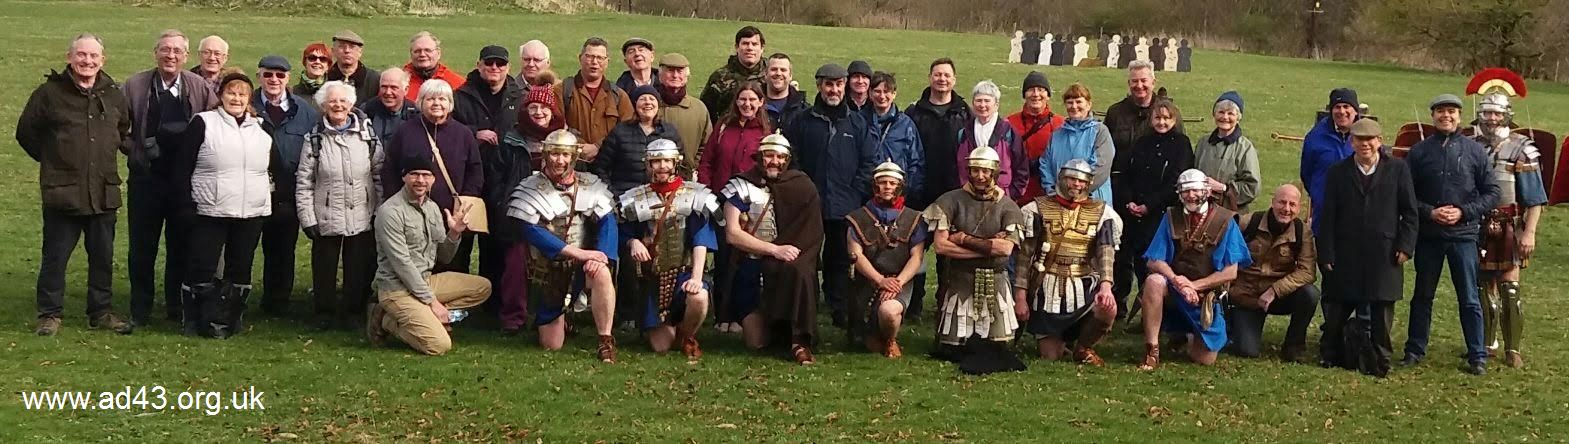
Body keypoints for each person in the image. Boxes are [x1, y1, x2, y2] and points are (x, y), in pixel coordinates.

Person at [18, 33, 135, 336]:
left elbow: (122, 129)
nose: (87, 61)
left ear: (102, 60)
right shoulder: (49, 93)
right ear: (70, 57)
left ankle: (101, 312)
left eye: (94, 56)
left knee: (102, 257)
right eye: (81, 55)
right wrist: (54, 161)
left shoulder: (113, 94)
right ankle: (50, 313)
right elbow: (26, 133)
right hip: (63, 192)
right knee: (55, 257)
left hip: (103, 191)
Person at [123, 29, 218, 326]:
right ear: (156, 53)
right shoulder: (135, 86)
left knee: (180, 246)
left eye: (177, 51)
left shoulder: (199, 86)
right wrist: (136, 152)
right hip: (146, 180)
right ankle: (140, 310)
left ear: (186, 56)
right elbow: (117, 127)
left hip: (183, 183)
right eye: (165, 50)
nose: (171, 56)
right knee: (142, 248)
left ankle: (176, 308)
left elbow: (216, 122)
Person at [171, 72, 274, 338]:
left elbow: (276, 167)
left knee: (240, 268)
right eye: (231, 92)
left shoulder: (261, 127)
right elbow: (182, 165)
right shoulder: (204, 123)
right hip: (210, 210)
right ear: (221, 95)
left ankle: (230, 319)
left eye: (242, 94)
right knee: (201, 267)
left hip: (250, 211)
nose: (236, 98)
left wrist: (278, 198)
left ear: (249, 98)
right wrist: (185, 203)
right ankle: (194, 321)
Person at [1403, 94, 1499, 375]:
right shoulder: (1419, 152)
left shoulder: (1475, 151)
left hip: (1464, 236)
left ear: (1460, 116)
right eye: (1441, 111)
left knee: (1469, 297)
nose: (1446, 116)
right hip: (1429, 235)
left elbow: (1492, 192)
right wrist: (1430, 212)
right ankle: (1414, 349)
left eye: (1452, 112)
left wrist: (1464, 212)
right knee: (1422, 295)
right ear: (1433, 115)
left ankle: (1477, 354)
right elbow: (1407, 194)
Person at [508, 129, 621, 363]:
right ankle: (562, 319)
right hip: (549, 272)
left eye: (565, 155)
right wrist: (578, 252)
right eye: (555, 154)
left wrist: (600, 256)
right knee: (552, 345)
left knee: (601, 272)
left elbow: (607, 222)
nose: (560, 160)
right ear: (547, 155)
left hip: (583, 267)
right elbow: (532, 231)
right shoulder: (530, 187)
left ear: (574, 157)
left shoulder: (591, 185)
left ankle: (605, 340)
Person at [1317, 119, 1418, 378]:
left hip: (1384, 252)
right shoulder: (1338, 172)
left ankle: (1381, 357)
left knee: (1382, 310)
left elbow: (1410, 213)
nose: (1365, 144)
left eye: (1370, 140)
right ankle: (1330, 353)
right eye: (1359, 140)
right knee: (1337, 308)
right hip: (1345, 250)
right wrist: (1326, 252)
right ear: (1352, 142)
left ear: (1379, 141)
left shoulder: (1398, 169)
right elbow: (1327, 215)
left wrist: (1405, 246)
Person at [783, 63, 879, 328]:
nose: (833, 90)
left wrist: (856, 191)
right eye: (828, 84)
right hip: (809, 205)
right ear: (819, 86)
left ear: (845, 85)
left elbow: (869, 161)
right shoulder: (802, 120)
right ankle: (807, 306)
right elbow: (791, 159)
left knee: (839, 259)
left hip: (844, 205)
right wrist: (802, 189)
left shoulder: (857, 122)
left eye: (838, 84)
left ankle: (839, 308)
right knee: (808, 257)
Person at [366, 157, 492, 356]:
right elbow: (402, 265)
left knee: (482, 288)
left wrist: (454, 233)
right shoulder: (390, 212)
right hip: (396, 289)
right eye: (414, 174)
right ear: (404, 177)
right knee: (439, 346)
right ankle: (386, 320)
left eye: (426, 175)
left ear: (434, 179)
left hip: (424, 282)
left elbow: (444, 257)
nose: (420, 180)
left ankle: (422, 317)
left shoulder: (432, 208)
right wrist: (433, 303)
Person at [718, 133, 824, 364]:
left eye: (779, 156)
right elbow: (733, 234)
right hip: (751, 267)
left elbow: (810, 230)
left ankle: (798, 340)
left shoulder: (801, 185)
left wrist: (790, 254)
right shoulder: (741, 185)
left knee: (800, 273)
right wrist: (774, 250)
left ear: (787, 160)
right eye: (769, 155)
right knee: (757, 342)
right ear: (759, 157)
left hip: (784, 266)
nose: (774, 161)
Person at [1135, 169, 1250, 370]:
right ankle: (1151, 349)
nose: (1191, 195)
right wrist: (1178, 281)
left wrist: (1194, 286)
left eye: (1195, 190)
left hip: (1206, 295)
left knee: (1205, 359)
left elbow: (1230, 272)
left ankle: (1187, 336)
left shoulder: (1225, 220)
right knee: (1154, 281)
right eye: (1185, 191)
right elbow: (1154, 260)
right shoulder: (1171, 216)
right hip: (1174, 288)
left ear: (1206, 191)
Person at [1470, 76, 1547, 369]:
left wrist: (1529, 232)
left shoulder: (1522, 148)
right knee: (1482, 288)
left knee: (1509, 289)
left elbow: (1535, 198)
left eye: (1497, 113)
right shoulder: (1469, 144)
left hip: (1510, 223)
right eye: (1487, 112)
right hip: (1477, 222)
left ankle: (1513, 348)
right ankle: (1487, 343)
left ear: (1506, 115)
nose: (1491, 118)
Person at [617, 140, 718, 361]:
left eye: (666, 161)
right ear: (648, 164)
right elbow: (623, 232)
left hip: (683, 271)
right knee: (661, 347)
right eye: (656, 161)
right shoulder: (635, 197)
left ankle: (687, 336)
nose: (662, 166)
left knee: (699, 296)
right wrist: (633, 242)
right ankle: (663, 327)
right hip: (653, 277)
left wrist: (696, 277)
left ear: (675, 163)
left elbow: (701, 239)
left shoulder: (694, 195)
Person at [1015, 160, 1121, 364]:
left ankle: (1083, 346)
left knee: (1108, 308)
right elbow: (1024, 257)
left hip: (1084, 282)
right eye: (1072, 179)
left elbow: (1106, 253)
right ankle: (1060, 341)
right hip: (1047, 288)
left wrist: (1106, 287)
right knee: (1050, 357)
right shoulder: (1036, 209)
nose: (1077, 185)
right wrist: (1020, 297)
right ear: (1062, 179)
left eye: (1082, 181)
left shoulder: (1102, 213)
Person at [297, 81, 384, 330]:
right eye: (332, 101)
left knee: (357, 267)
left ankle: (353, 312)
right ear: (324, 105)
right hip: (325, 213)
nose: (337, 105)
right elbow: (304, 181)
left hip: (361, 212)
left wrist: (378, 209)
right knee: (324, 267)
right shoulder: (314, 139)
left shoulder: (367, 135)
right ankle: (323, 312)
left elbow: (378, 173)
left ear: (351, 104)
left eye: (342, 101)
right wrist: (307, 218)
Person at [925, 146, 1022, 360]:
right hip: (960, 280)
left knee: (999, 348)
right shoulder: (949, 201)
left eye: (985, 171)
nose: (980, 176)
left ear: (994, 172)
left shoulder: (1009, 207)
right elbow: (941, 246)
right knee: (953, 347)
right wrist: (988, 248)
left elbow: (1005, 249)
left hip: (995, 281)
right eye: (975, 170)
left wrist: (963, 239)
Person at [382, 80, 484, 274]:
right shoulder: (405, 131)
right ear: (420, 102)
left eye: (442, 99)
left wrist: (465, 201)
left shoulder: (463, 134)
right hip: (411, 213)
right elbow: (390, 169)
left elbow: (475, 170)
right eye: (431, 99)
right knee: (416, 265)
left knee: (454, 264)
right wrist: (395, 203)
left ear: (450, 103)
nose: (437, 103)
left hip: (452, 214)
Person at [453, 45, 526, 300]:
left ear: (508, 67)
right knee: (461, 242)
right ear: (479, 64)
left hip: (504, 179)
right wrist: (474, 133)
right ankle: (457, 300)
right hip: (468, 178)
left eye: (500, 64)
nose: (495, 68)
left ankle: (493, 303)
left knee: (497, 241)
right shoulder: (461, 95)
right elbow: (449, 128)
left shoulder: (519, 97)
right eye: (489, 63)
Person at [1112, 98, 1192, 320]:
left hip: (1162, 214)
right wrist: (1129, 201)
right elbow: (1126, 174)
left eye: (1167, 118)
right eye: (1158, 117)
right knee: (1136, 261)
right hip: (1135, 212)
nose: (1162, 122)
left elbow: (1177, 180)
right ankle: (1134, 309)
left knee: (1157, 266)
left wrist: (1150, 205)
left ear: (1174, 120)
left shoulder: (1181, 144)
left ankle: (1157, 314)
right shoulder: (1141, 143)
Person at [253, 55, 321, 316]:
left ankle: (276, 303)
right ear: (259, 76)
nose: (274, 80)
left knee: (282, 251)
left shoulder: (304, 111)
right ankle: (235, 297)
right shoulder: (246, 104)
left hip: (287, 194)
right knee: (244, 248)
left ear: (288, 79)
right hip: (251, 191)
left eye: (280, 75)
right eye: (268, 74)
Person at [490, 87, 563, 333]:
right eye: (533, 108)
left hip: (558, 215)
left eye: (544, 108)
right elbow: (497, 179)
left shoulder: (565, 139)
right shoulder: (511, 141)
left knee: (559, 264)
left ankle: (558, 313)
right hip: (520, 215)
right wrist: (505, 205)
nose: (539, 112)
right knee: (515, 265)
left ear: (553, 111)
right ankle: (514, 317)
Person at [1225, 185, 1319, 362]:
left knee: (1310, 294)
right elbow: (1224, 255)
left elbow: (1307, 271)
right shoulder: (1248, 222)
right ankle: (1233, 324)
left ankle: (1293, 347)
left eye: (1292, 204)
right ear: (1272, 202)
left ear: (1299, 208)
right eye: (1282, 202)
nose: (1286, 209)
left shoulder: (1302, 231)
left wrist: (1275, 291)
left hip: (1278, 297)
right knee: (1246, 351)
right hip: (1247, 297)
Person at [845, 161, 926, 358]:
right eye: (883, 182)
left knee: (889, 312)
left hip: (900, 281)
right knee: (864, 339)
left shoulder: (914, 219)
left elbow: (917, 257)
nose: (887, 187)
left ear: (900, 186)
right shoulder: (858, 218)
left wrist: (896, 283)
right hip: (867, 281)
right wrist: (880, 280)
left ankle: (890, 339)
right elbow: (856, 255)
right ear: (875, 186)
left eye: (892, 183)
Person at [593, 85, 683, 196]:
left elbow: (681, 166)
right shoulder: (620, 131)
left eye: (652, 99)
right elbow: (600, 167)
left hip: (660, 197)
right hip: (623, 197)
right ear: (635, 104)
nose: (647, 102)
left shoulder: (669, 132)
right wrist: (612, 194)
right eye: (642, 99)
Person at [554, 37, 633, 163]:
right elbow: (554, 124)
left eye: (600, 58)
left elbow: (628, 130)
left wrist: (598, 146)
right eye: (589, 56)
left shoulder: (619, 96)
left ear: (607, 62)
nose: (594, 62)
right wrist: (579, 146)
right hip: (570, 163)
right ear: (580, 58)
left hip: (608, 165)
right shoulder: (562, 90)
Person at [905, 58, 970, 210]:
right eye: (937, 75)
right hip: (920, 193)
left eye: (947, 75)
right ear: (930, 78)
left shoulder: (965, 113)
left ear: (954, 80)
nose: (942, 79)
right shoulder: (913, 112)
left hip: (955, 193)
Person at [1039, 83, 1113, 203]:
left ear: (1089, 105)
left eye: (1078, 102)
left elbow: (1101, 167)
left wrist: (1079, 193)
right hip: (1059, 203)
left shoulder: (1100, 132)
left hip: (1092, 202)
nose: (1074, 106)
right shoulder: (1057, 135)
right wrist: (1053, 191)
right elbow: (1045, 165)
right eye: (1070, 102)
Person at [1301, 88, 1359, 234]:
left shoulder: (1367, 136)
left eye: (1347, 107)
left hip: (1358, 213)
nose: (1341, 111)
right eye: (1337, 107)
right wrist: (1319, 195)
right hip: (1325, 213)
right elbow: (1306, 173)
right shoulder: (1315, 137)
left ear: (1356, 111)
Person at [1194, 91, 1260, 212]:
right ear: (1214, 114)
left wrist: (1224, 188)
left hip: (1230, 215)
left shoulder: (1245, 149)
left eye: (1231, 114)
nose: (1225, 117)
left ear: (1238, 118)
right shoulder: (1203, 143)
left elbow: (1252, 187)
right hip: (1201, 211)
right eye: (1221, 112)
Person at [1005, 71, 1065, 205]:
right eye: (1031, 90)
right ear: (1024, 95)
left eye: (1041, 90)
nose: (1036, 94)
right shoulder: (1009, 123)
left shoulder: (1061, 124)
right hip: (1018, 195)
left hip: (1051, 196)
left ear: (1048, 95)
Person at [955, 80, 1023, 199]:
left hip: (1000, 196)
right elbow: (956, 166)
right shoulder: (964, 133)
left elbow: (1021, 167)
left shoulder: (1008, 132)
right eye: (978, 100)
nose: (982, 105)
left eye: (987, 101)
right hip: (968, 196)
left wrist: (1011, 195)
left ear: (996, 105)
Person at [698, 81, 770, 192]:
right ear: (736, 101)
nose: (747, 104)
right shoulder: (723, 126)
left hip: (748, 198)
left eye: (752, 100)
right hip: (717, 194)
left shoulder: (765, 132)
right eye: (742, 99)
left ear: (760, 102)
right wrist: (706, 188)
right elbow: (707, 161)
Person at [865, 72, 925, 203]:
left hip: (897, 196)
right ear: (869, 93)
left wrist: (907, 191)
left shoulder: (906, 124)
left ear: (894, 94)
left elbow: (916, 161)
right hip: (866, 196)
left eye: (886, 91)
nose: (882, 96)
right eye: (877, 91)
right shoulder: (859, 122)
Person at [654, 53, 713, 177]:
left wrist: (694, 166)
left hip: (688, 177)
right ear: (660, 75)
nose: (675, 75)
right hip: (654, 176)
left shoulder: (698, 108)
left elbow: (707, 144)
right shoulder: (650, 106)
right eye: (670, 71)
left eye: (680, 71)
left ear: (687, 76)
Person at [1104, 60, 1181, 156]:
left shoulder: (1170, 112)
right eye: (1135, 81)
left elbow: (1180, 148)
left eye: (1144, 80)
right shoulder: (1115, 113)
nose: (1139, 86)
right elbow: (1105, 149)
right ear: (1129, 83)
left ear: (1153, 83)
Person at [700, 26, 766, 122]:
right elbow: (706, 112)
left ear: (762, 48)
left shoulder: (773, 74)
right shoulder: (720, 77)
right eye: (745, 43)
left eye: (754, 44)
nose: (750, 48)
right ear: (737, 47)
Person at [359, 67, 419, 147]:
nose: (388, 92)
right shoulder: (366, 110)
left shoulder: (416, 114)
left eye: (394, 88)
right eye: (384, 87)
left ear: (406, 90)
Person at [403, 31, 465, 101]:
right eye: (417, 51)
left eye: (428, 50)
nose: (422, 54)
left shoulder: (457, 84)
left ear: (438, 53)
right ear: (411, 54)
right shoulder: (399, 81)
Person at [326, 30, 380, 102]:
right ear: (333, 51)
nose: (347, 50)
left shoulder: (373, 79)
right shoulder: (325, 78)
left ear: (360, 52)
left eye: (352, 47)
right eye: (341, 46)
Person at [761, 53, 806, 128]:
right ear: (765, 74)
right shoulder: (753, 105)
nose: (778, 73)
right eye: (774, 69)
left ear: (790, 75)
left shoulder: (803, 109)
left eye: (783, 70)